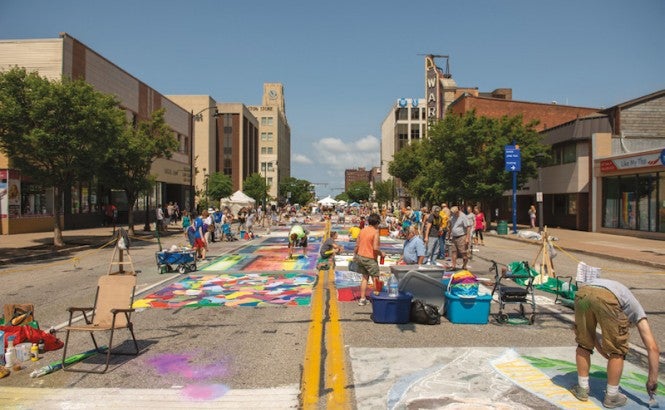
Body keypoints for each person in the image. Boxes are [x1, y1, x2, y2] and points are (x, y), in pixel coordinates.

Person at [569, 278, 659, 408]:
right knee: (618, 350)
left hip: (583, 293)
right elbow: (653, 348)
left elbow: (589, 336)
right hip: (607, 297)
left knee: (583, 342)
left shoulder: (624, 298)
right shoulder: (638, 312)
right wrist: (652, 380)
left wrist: (604, 353)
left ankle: (582, 388)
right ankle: (612, 396)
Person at [354, 213, 385, 306]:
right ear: (377, 223)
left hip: (361, 256)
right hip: (370, 257)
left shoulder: (362, 230)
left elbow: (357, 245)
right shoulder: (375, 232)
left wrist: (355, 255)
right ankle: (376, 298)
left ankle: (362, 298)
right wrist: (381, 253)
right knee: (375, 278)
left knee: (364, 278)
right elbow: (375, 248)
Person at [447, 206, 472, 270]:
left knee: (463, 252)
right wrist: (449, 235)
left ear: (458, 211)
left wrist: (467, 238)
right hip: (454, 237)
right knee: (453, 251)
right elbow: (450, 226)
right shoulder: (452, 217)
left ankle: (464, 265)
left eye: (455, 213)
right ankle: (453, 266)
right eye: (452, 213)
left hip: (462, 236)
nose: (454, 214)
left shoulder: (463, 216)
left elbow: (468, 227)